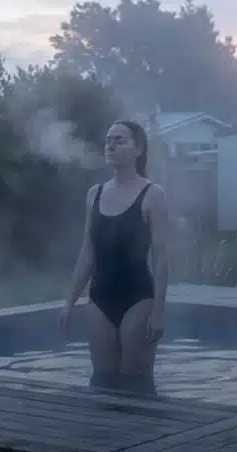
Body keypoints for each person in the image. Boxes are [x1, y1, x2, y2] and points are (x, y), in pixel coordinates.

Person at [58, 120, 170, 395]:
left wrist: (158, 311)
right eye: (109, 140)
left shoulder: (152, 195)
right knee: (103, 380)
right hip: (100, 299)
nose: (111, 145)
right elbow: (87, 252)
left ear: (138, 149)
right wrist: (69, 301)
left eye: (120, 140)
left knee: (136, 380)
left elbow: (161, 257)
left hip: (137, 299)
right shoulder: (94, 194)